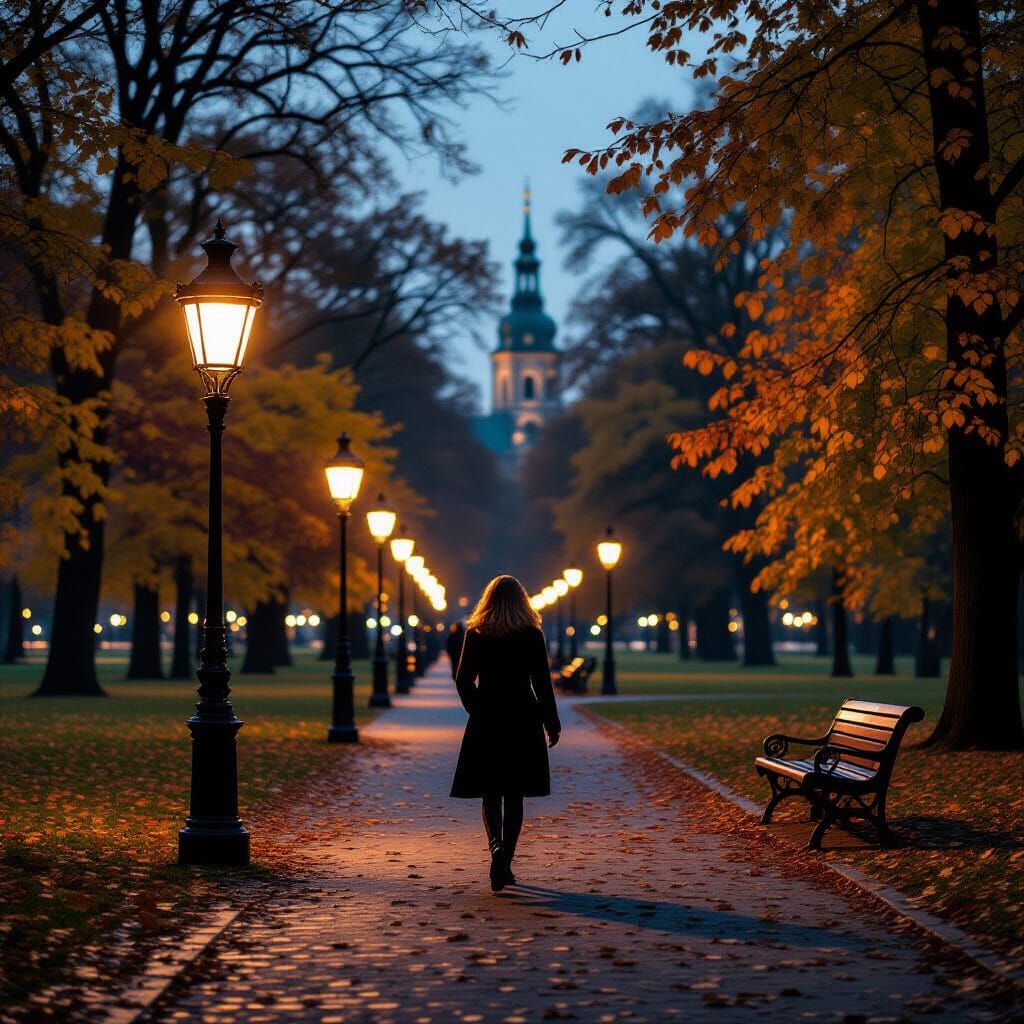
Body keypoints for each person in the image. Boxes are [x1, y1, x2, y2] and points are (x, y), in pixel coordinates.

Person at [450, 575, 561, 892]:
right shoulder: (531, 635)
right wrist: (550, 722)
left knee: (490, 790)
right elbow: (542, 683)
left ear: (488, 601)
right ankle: (505, 863)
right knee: (515, 792)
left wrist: (477, 709)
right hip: (523, 717)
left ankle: (495, 845)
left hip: (488, 717)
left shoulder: (477, 633)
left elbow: (463, 680)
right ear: (522, 602)